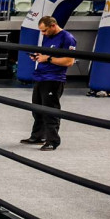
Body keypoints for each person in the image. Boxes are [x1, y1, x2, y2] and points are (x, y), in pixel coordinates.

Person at [21, 15, 75, 151]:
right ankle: (38, 136)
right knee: (37, 109)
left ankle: (53, 140)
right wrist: (39, 57)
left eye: (44, 30)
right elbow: (46, 55)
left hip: (54, 78)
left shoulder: (67, 38)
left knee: (50, 111)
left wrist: (48, 59)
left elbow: (69, 61)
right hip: (41, 76)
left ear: (53, 25)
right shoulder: (48, 36)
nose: (42, 33)